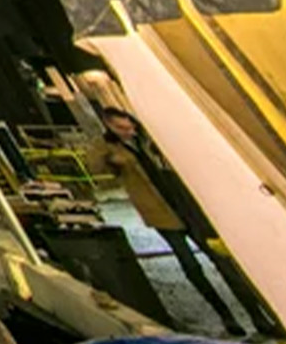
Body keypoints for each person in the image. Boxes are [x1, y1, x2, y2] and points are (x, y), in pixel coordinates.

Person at [91, 106, 265, 335]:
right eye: (121, 128)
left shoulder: (148, 136)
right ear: (110, 127)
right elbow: (95, 166)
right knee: (191, 267)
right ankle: (227, 318)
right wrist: (109, 152)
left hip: (187, 206)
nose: (128, 131)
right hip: (160, 214)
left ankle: (259, 316)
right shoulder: (109, 148)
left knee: (223, 262)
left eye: (129, 125)